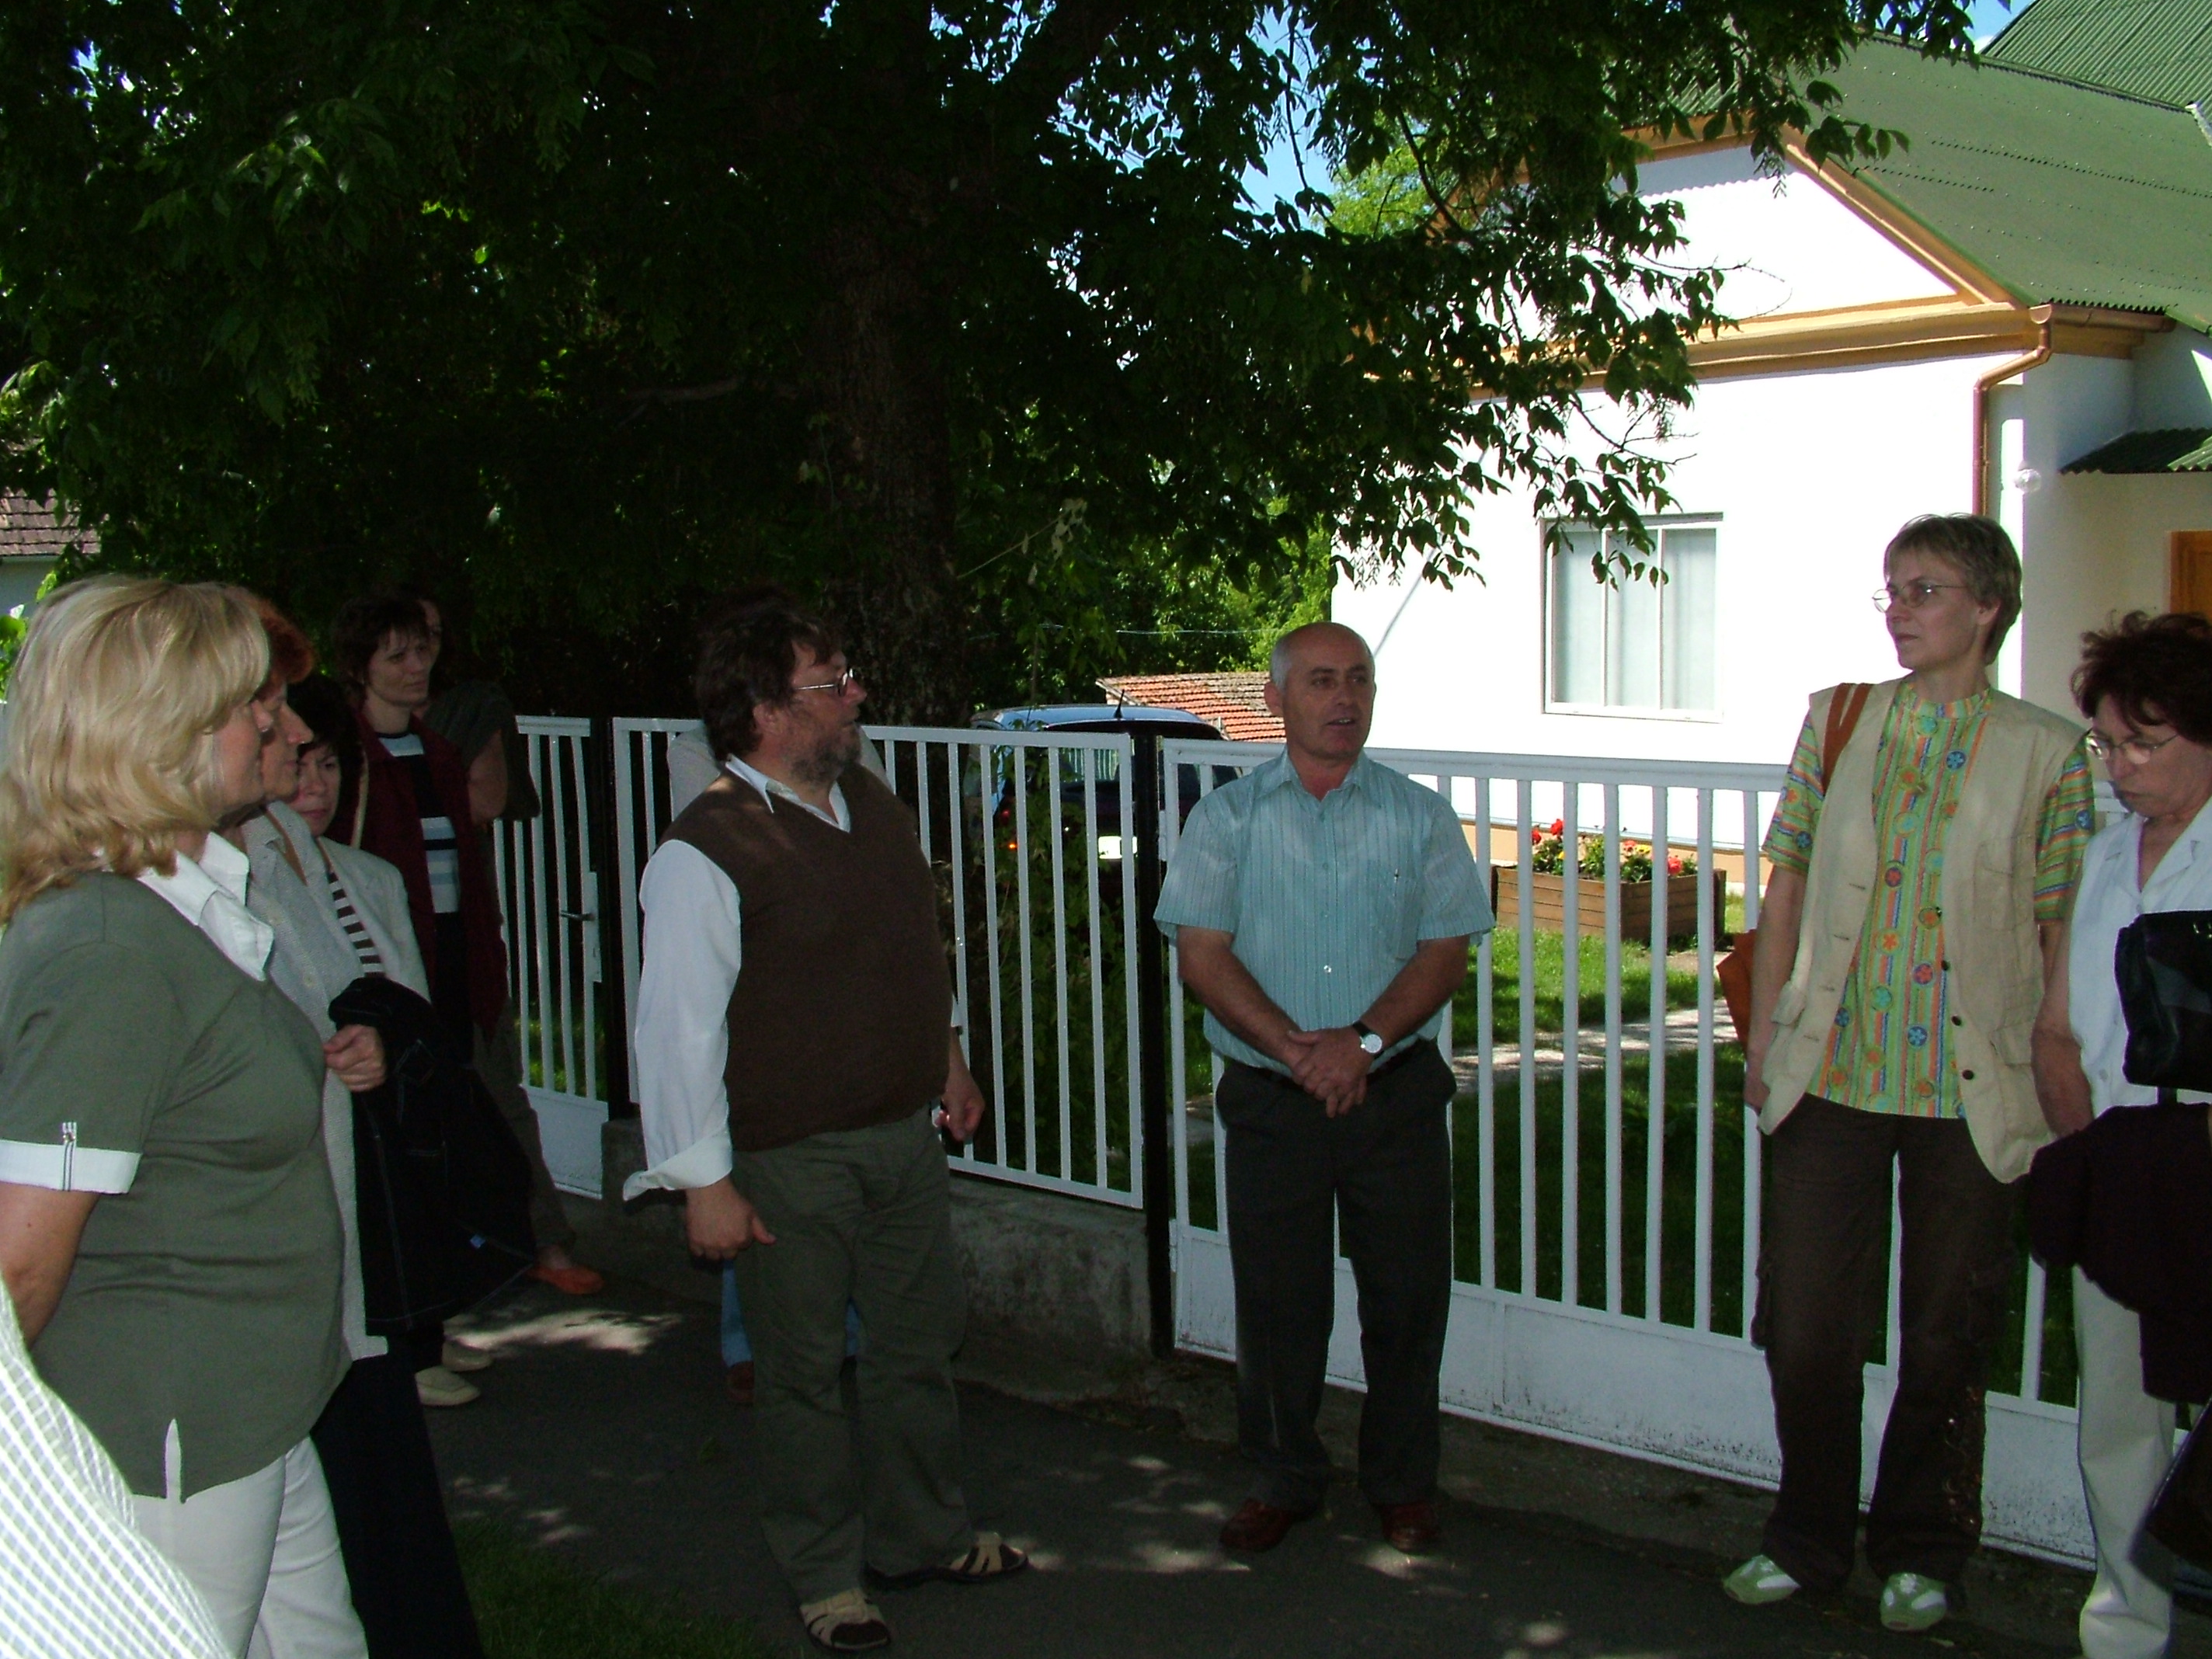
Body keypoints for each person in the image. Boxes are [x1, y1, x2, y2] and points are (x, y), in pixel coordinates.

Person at [625, 589, 1024, 1653]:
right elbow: (675, 1031)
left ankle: (924, 1535)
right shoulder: (706, 849)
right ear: (766, 710)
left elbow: (911, 951)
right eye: (833, 682)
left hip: (902, 1137)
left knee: (916, 1349)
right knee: (800, 1375)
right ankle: (825, 1577)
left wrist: (948, 1058)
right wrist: (704, 1184)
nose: (857, 694)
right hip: (788, 1161)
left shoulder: (872, 805)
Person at [1732, 514, 2095, 1632]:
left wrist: (2056, 1057)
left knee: (1946, 1331)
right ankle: (1806, 1538)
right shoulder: (1839, 720)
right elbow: (1787, 883)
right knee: (1806, 1325)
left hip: (1970, 1090)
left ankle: (1923, 1548)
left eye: (1923, 590)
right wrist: (1766, 1039)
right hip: (1832, 1073)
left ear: (1987, 607)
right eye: (1891, 589)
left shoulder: (2048, 751)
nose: (1898, 609)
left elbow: (2060, 923)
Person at [0, 576, 364, 1657]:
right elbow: (18, 1262)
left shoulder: (174, 906)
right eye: (258, 706)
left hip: (251, 1415)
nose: (286, 732)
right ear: (167, 733)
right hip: (168, 1444)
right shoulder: (110, 950)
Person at [1153, 621, 1487, 1556]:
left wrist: (1364, 1043)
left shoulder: (1421, 817)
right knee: (1277, 1307)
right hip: (1273, 1102)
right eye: (1321, 681)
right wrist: (1301, 1053)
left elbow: (1444, 952)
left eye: (1358, 680)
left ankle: (1403, 1485)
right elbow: (1202, 956)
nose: (1344, 699)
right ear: (1274, 699)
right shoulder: (1225, 820)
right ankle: (1283, 1478)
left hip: (1395, 1097)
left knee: (1407, 1303)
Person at [228, 624, 485, 1658]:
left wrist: (389, 1045)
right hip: (295, 1248)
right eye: (288, 743)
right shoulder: (230, 873)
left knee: (375, 1491)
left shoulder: (359, 876)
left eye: (328, 760)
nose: (307, 769)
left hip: (365, 1222)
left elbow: (412, 1015)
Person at [329, 594, 595, 1410]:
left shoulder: (436, 753)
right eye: (398, 656)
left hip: (450, 965)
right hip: (388, 977)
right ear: (362, 665)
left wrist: (481, 969)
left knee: (445, 1141)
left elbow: (466, 878)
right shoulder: (349, 758)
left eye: (424, 653)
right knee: (399, 1156)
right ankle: (407, 1349)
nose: (418, 669)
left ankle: (433, 1326)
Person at [2032, 611, 2212, 1659]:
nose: (2120, 767)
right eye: (2107, 744)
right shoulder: (2104, 854)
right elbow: (2058, 1024)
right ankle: (2126, 1630)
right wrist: (2090, 1151)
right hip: (2121, 1159)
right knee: (2119, 1415)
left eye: (2144, 744)